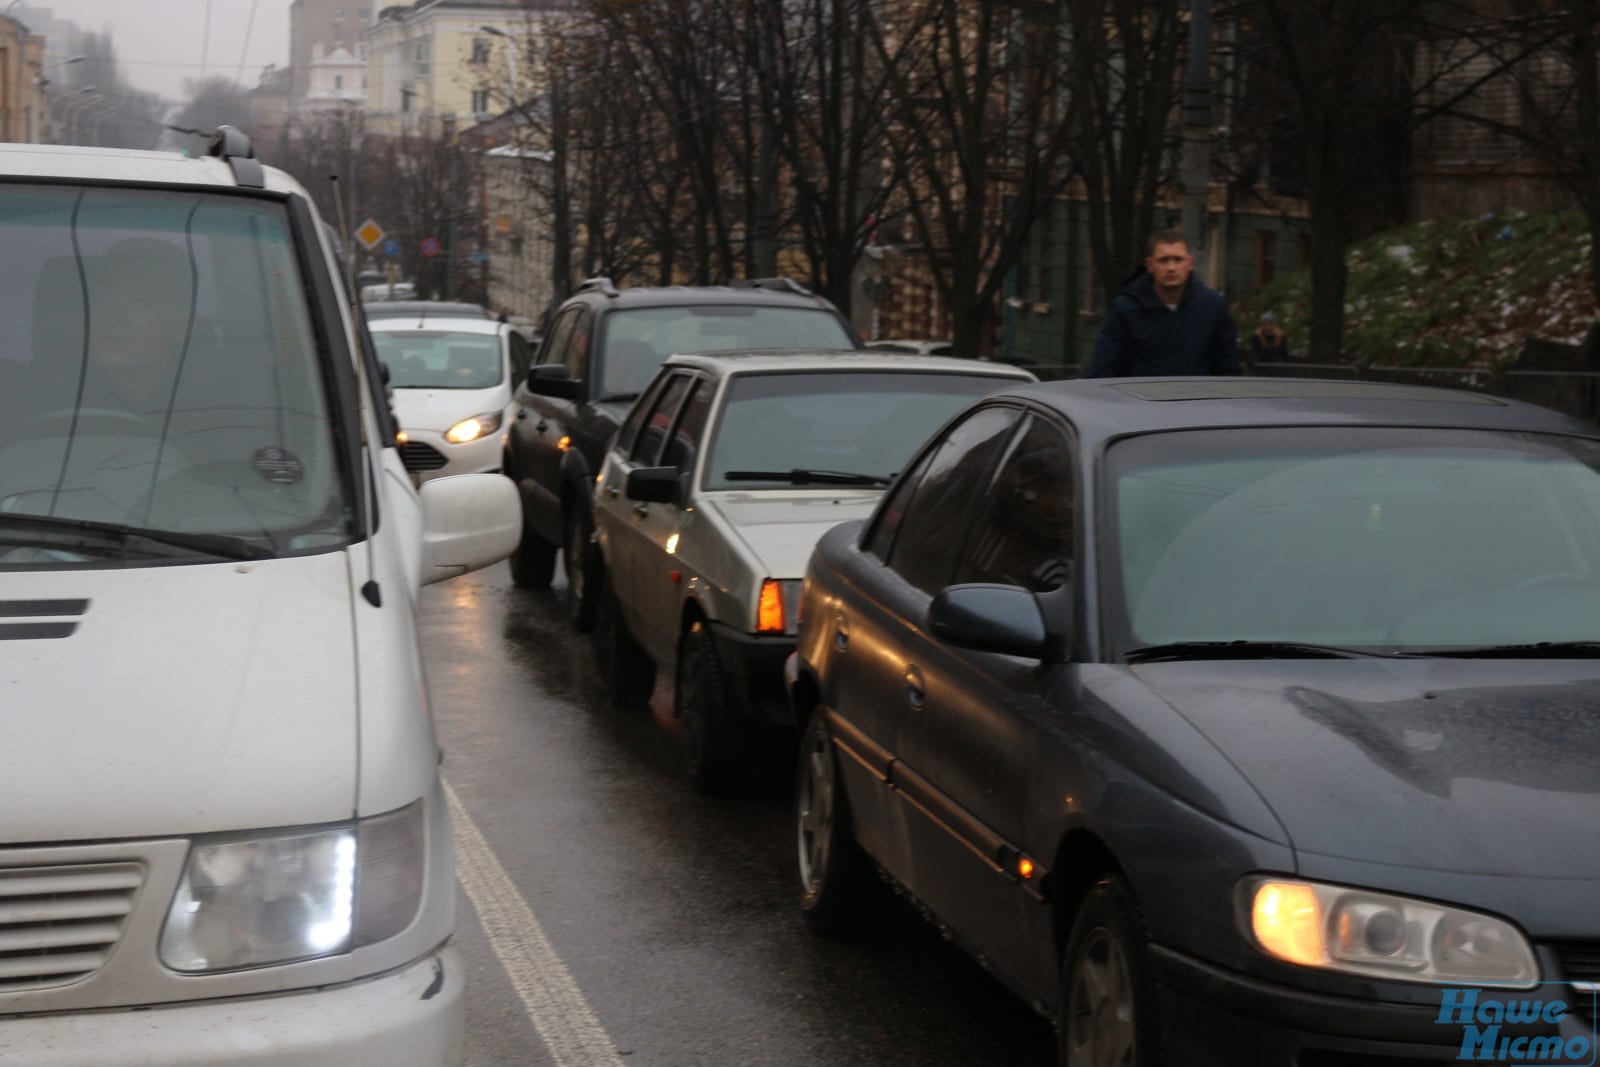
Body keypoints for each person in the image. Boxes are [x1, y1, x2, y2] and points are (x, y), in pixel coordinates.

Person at [1084, 229, 1241, 378]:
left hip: (1196, 404)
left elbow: (1228, 371)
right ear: (1150, 265)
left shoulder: (1212, 308)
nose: (1171, 268)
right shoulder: (1126, 310)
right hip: (1141, 404)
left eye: (1178, 260)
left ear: (1190, 263)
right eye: (1163, 260)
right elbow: (1103, 370)